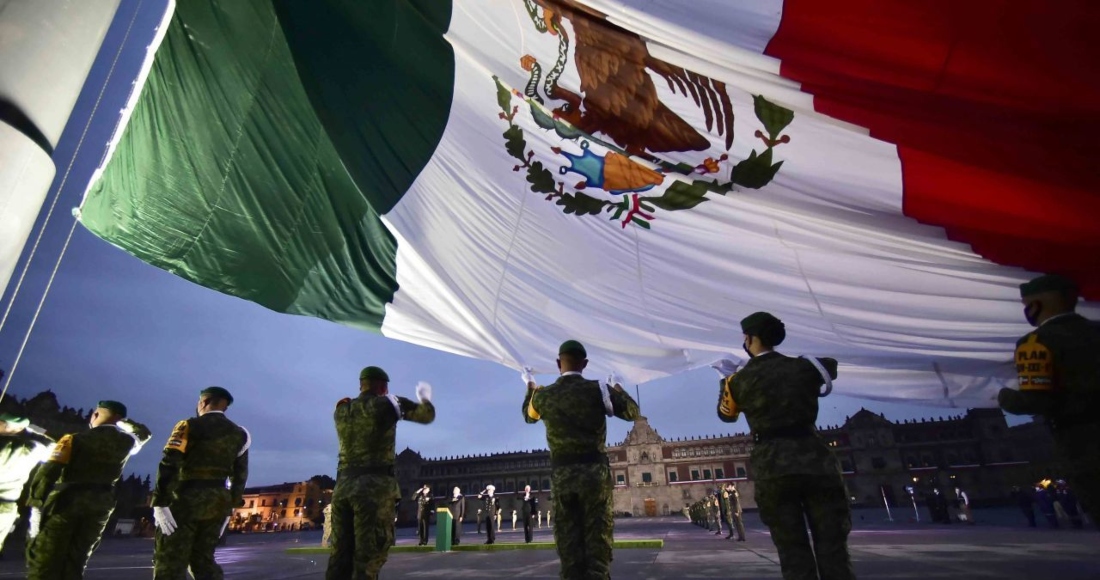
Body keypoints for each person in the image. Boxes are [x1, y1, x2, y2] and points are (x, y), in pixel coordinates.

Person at [714, 312, 855, 580]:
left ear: (750, 338)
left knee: (792, 548)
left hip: (773, 465)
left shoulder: (739, 381)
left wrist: (726, 379)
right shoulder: (806, 367)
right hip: (815, 460)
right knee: (833, 544)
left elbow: (726, 415)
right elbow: (831, 367)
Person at [522, 339, 640, 579]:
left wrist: (531, 384)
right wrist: (617, 385)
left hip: (563, 477)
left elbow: (528, 415)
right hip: (594, 475)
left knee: (568, 538)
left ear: (558, 363)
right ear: (585, 364)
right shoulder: (599, 390)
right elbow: (632, 412)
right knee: (597, 534)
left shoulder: (545, 396)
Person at [998, 273, 1100, 530]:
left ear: (1038, 304)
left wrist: (1003, 396)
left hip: (1084, 442)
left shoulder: (1037, 343)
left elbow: (1036, 399)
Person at [326, 366, 435, 579]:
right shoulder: (387, 404)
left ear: (361, 385)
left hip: (343, 489)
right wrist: (425, 397)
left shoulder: (342, 409)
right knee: (369, 555)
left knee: (339, 556)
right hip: (373, 490)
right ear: (383, 387)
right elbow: (426, 415)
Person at [25, 401, 151, 580]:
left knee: (45, 558)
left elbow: (48, 473)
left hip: (67, 501)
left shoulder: (73, 439)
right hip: (101, 505)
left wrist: (36, 505)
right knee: (77, 560)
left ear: (96, 415)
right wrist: (121, 421)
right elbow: (144, 434)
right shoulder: (126, 442)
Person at [150, 386, 249, 579]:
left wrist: (160, 502)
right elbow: (240, 475)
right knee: (203, 560)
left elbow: (170, 462)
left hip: (185, 500)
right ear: (225, 407)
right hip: (218, 503)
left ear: (203, 402)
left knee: (170, 561)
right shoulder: (240, 435)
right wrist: (230, 507)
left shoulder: (188, 426)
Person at [0, 413, 52, 553]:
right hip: (5, 509)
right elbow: (59, 444)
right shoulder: (34, 448)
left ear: (11, 428)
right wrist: (37, 429)